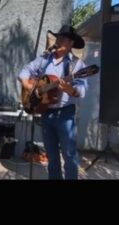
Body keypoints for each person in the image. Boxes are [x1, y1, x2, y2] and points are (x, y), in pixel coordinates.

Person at [18, 25, 88, 180]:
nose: (59, 41)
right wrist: (31, 88)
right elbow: (23, 72)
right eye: (58, 38)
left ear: (71, 43)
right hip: (45, 112)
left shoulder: (77, 66)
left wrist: (70, 90)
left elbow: (81, 92)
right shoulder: (44, 60)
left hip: (65, 115)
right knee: (52, 156)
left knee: (69, 156)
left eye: (63, 38)